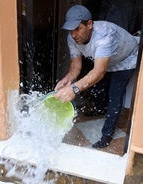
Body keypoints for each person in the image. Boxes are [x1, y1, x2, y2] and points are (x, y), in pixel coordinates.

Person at [54, 5, 138, 148]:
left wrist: (73, 89)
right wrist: (68, 79)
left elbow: (99, 72)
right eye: (71, 30)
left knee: (114, 95)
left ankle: (107, 135)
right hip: (106, 60)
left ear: (90, 24)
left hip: (126, 59)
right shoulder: (72, 37)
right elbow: (76, 66)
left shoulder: (105, 36)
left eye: (77, 29)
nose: (74, 34)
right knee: (97, 85)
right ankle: (99, 109)